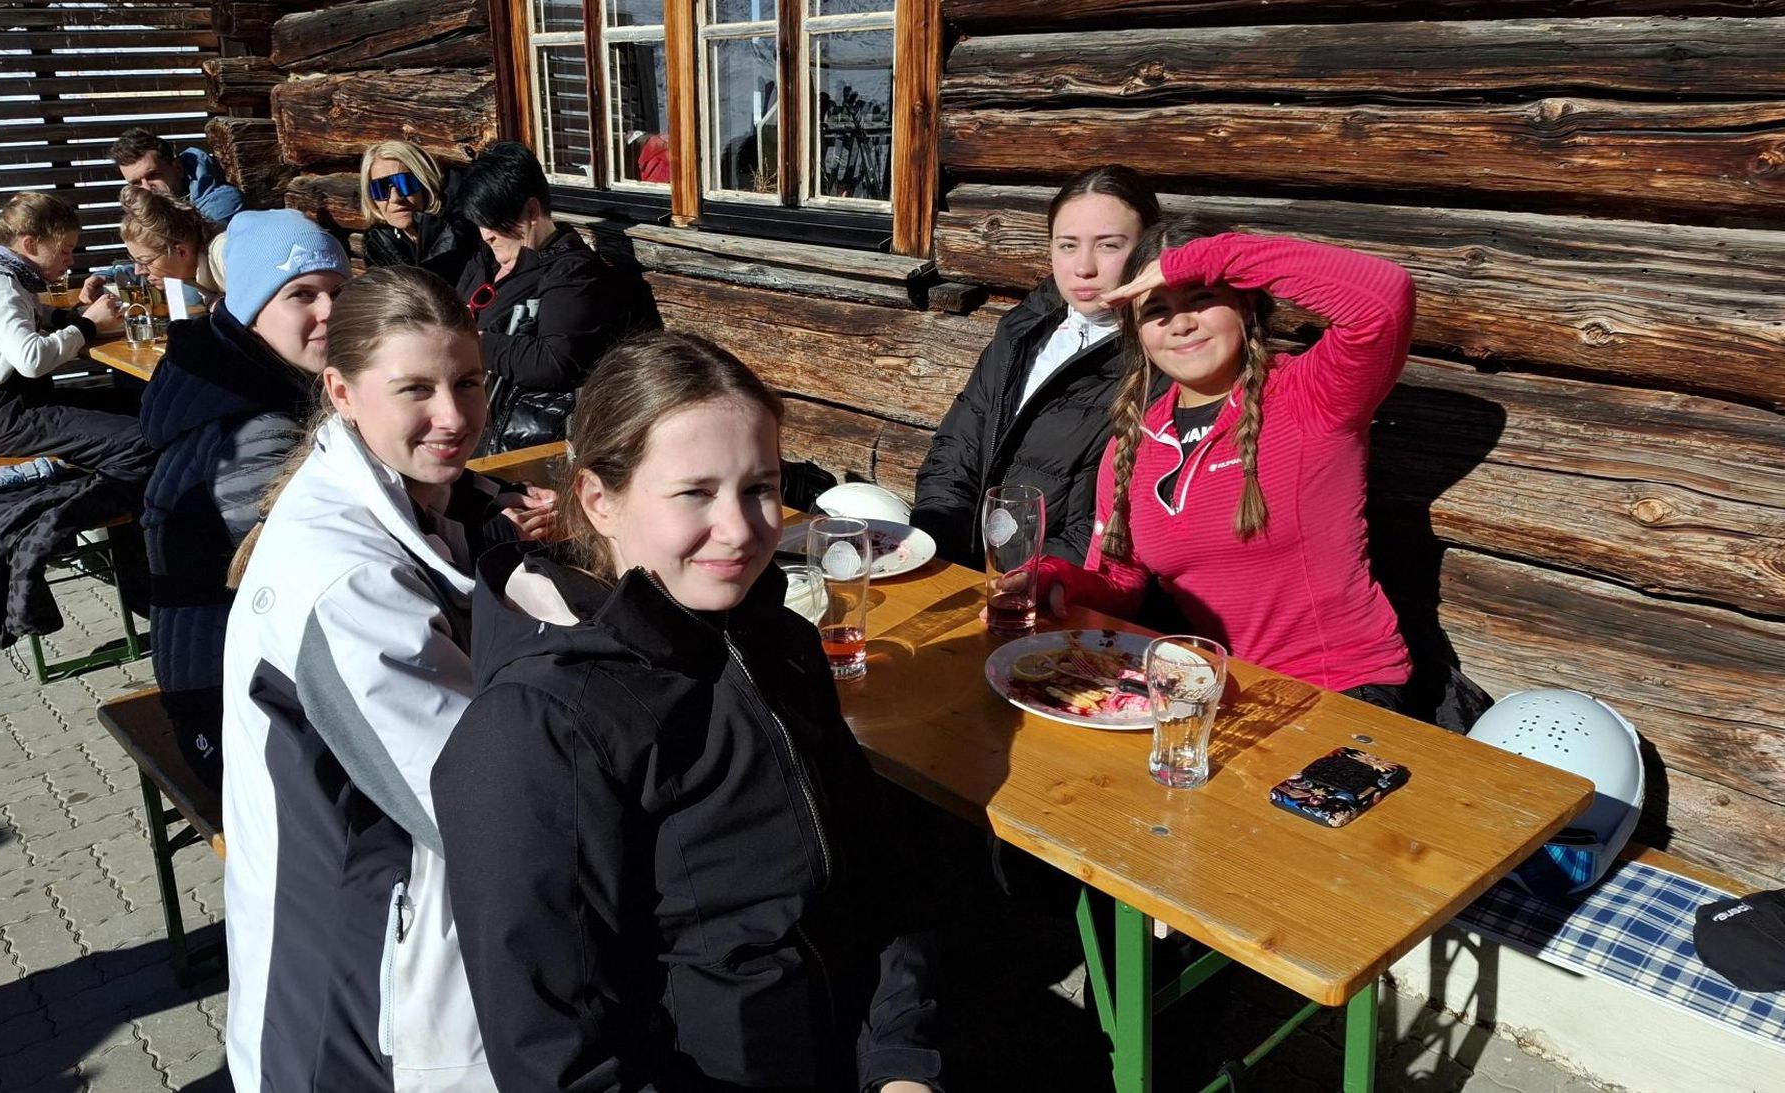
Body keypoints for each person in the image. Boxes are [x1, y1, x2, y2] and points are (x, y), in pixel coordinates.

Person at [440, 333, 942, 1092]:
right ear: (600, 499)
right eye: (694, 492)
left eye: (761, 486)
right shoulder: (538, 728)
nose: (741, 529)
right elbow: (560, 1060)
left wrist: (903, 1063)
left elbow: (876, 882)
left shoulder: (780, 642)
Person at [218, 265, 552, 1092]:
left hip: (388, 958)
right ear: (341, 390)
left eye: (469, 380)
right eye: (416, 389)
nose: (454, 415)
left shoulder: (403, 496)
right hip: (353, 1006)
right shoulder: (346, 584)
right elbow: (480, 809)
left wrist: (490, 522)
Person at [1038, 215, 1416, 704]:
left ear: (1244, 303)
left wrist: (1209, 259)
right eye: (1156, 310)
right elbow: (1121, 583)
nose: (1180, 323)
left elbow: (1385, 299)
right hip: (1219, 691)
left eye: (1200, 296)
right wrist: (1057, 579)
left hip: (1346, 690)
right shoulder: (1133, 444)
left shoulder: (1312, 394)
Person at [139, 210, 348, 789]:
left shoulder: (238, 377)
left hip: (241, 677)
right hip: (236, 712)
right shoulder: (253, 428)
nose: (328, 312)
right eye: (301, 295)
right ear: (254, 313)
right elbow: (315, 570)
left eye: (337, 291)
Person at [912, 165, 1160, 568]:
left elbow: (1107, 521)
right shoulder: (1022, 330)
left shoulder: (1158, 362)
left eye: (1109, 246)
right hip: (971, 573)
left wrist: (1024, 584)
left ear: (1148, 251)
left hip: (1055, 597)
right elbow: (957, 447)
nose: (1084, 267)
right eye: (1067, 245)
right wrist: (942, 548)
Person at [0, 192, 153, 484]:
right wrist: (88, 325)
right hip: (10, 421)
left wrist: (75, 316)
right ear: (30, 244)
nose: (70, 261)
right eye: (65, 250)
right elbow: (31, 360)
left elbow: (37, 312)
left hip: (23, 405)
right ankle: (97, 508)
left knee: (142, 405)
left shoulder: (8, 277)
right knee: (140, 440)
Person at [455, 139, 620, 456]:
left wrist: (469, 343)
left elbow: (554, 360)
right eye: (479, 222)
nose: (485, 233)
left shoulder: (572, 273)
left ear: (531, 211)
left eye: (493, 221)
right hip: (468, 432)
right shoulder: (486, 261)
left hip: (513, 445)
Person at [359, 139, 478, 282]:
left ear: (425, 183)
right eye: (380, 189)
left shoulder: (466, 232)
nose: (395, 198)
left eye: (404, 183)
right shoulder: (380, 247)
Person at [109, 185, 224, 307]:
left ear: (182, 252)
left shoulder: (223, 255)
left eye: (146, 261)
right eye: (135, 261)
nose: (138, 271)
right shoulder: (193, 272)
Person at [108, 127, 244, 224]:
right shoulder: (148, 209)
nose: (146, 188)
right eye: (136, 183)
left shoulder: (219, 204)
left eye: (152, 175)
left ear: (177, 168)